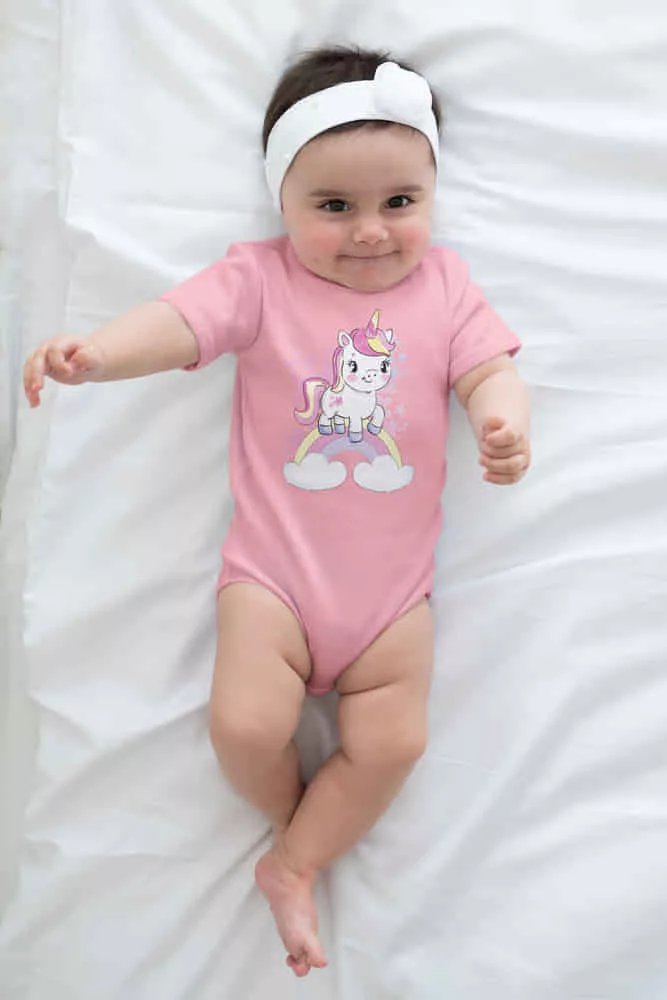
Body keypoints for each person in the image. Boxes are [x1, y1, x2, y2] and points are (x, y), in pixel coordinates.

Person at [23, 46, 531, 977]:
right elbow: (178, 323)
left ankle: (292, 863)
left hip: (393, 605)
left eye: (400, 202)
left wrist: (503, 421)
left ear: (431, 195)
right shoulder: (259, 280)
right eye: (333, 207)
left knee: (396, 740)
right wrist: (98, 354)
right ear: (282, 199)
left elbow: (490, 369)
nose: (370, 231)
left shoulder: (446, 287)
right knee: (247, 728)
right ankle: (291, 815)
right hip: (274, 581)